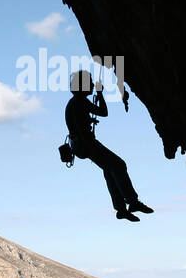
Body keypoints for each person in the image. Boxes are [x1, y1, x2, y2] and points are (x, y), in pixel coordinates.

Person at [66, 69, 153, 221]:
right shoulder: (79, 102)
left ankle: (121, 209)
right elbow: (103, 112)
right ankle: (131, 202)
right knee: (118, 165)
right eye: (90, 83)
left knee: (109, 169)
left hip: (81, 144)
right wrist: (99, 94)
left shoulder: (75, 102)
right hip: (87, 143)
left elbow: (85, 119)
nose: (93, 85)